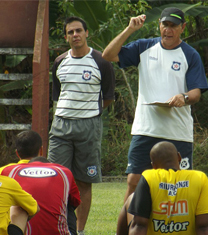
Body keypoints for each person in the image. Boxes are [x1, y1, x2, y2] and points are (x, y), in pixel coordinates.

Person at [102, 7, 208, 202]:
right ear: (159, 24)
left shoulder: (190, 55)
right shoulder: (144, 47)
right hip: (145, 129)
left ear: (182, 28)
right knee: (134, 181)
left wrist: (183, 98)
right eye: (164, 25)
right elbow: (108, 55)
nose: (168, 30)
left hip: (177, 131)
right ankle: (128, 228)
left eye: (173, 26)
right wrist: (129, 30)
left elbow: (196, 92)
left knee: (178, 184)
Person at [47, 16, 116, 234]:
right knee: (54, 179)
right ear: (66, 36)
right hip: (60, 126)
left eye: (78, 31)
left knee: (84, 181)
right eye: (70, 32)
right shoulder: (59, 62)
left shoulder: (101, 61)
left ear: (86, 33)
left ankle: (79, 230)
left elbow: (107, 97)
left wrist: (89, 113)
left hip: (89, 127)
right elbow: (57, 95)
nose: (75, 35)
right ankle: (56, 227)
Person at [117, 141, 208, 235]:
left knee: (131, 198)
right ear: (179, 157)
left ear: (153, 165)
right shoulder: (200, 178)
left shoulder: (148, 177)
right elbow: (204, 227)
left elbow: (139, 225)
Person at [1, 156, 81, 235]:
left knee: (14, 205)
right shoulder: (64, 171)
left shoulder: (7, 171)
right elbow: (75, 202)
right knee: (21, 208)